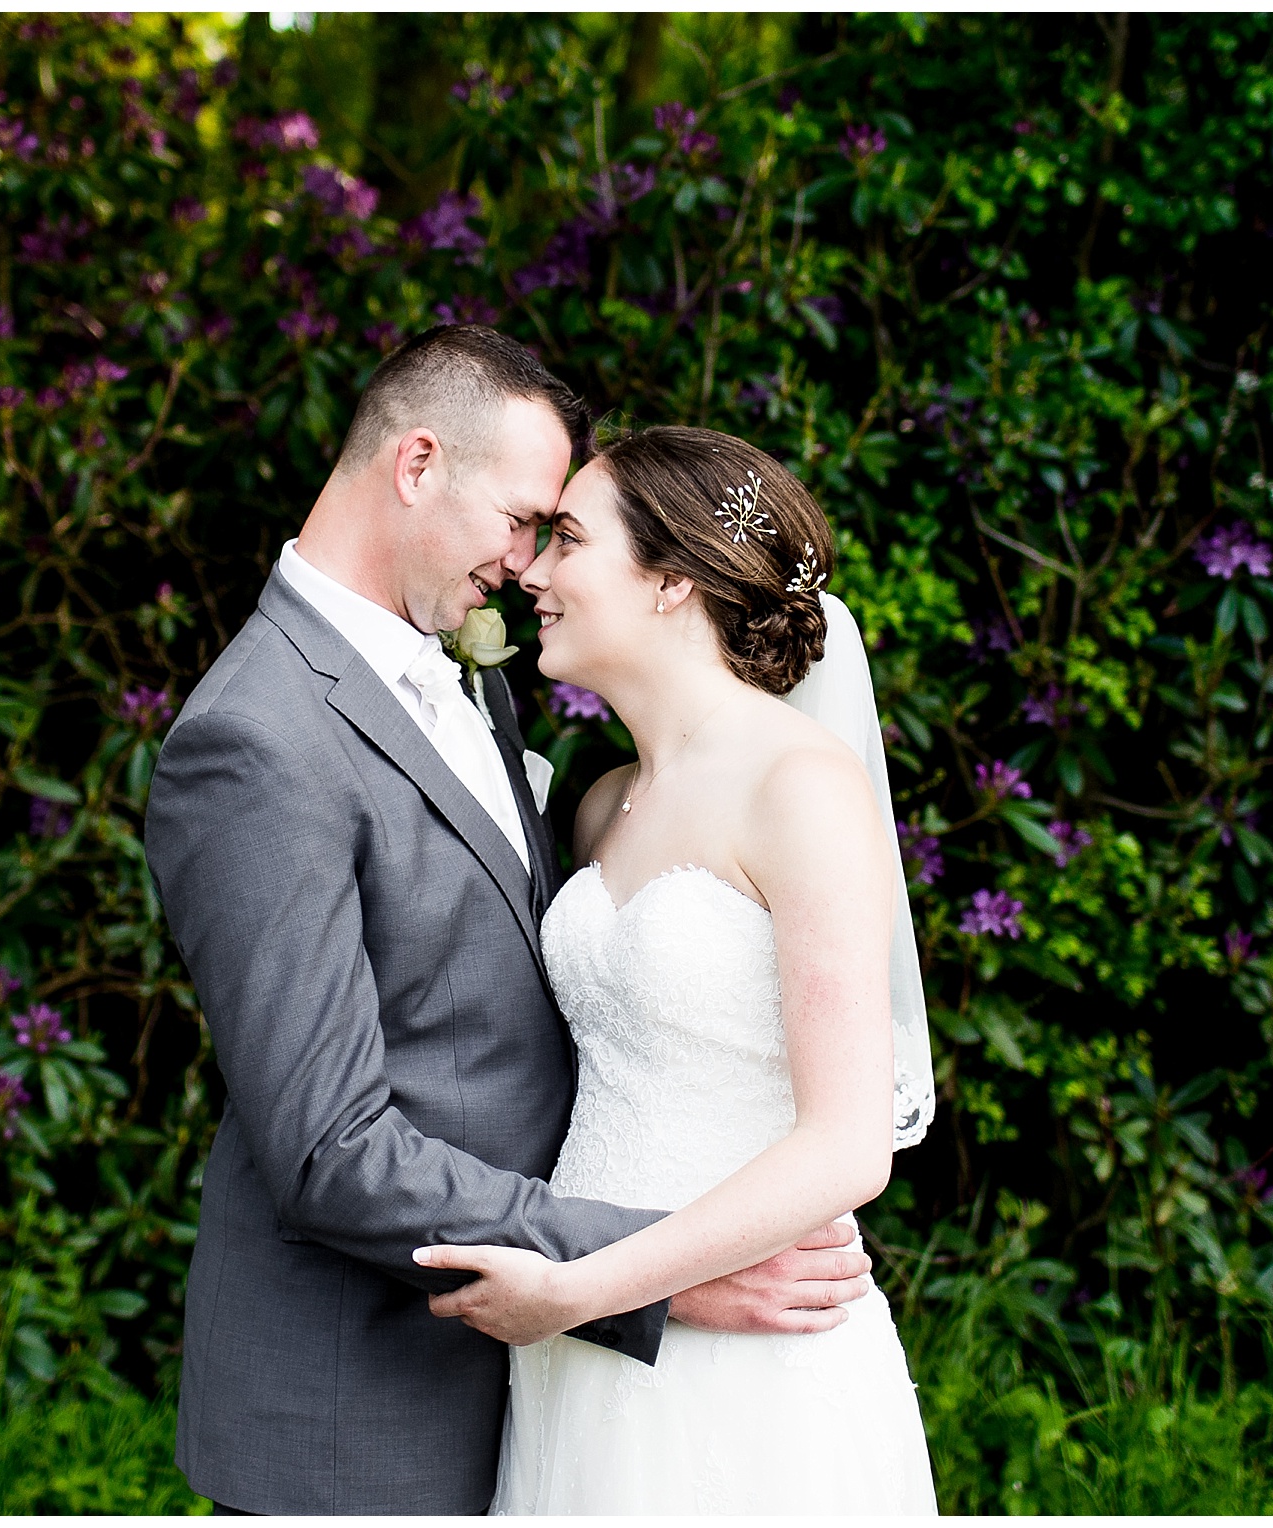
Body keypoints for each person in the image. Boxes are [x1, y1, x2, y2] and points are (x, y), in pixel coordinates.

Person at [141, 329, 883, 1516]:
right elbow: (332, 1148)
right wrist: (642, 1279)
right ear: (419, 464)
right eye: (525, 518)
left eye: (561, 534)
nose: (528, 564)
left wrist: (609, 1284)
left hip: (560, 1354)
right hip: (366, 1401)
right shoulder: (257, 741)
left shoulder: (479, 680)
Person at [415, 426, 941, 1514]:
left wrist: (577, 1289)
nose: (533, 572)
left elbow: (848, 1144)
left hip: (749, 1357)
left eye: (567, 539)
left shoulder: (800, 786)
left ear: (669, 580)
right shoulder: (604, 804)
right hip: (582, 1352)